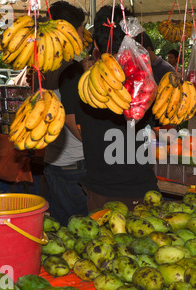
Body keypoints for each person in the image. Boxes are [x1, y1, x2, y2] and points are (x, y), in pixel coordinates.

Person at [75, 5, 159, 211]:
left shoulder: (86, 82)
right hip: (141, 187)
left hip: (99, 189)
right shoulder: (143, 78)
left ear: (95, 43)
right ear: (133, 36)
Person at [40, 1, 88, 225]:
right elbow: (71, 119)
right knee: (79, 228)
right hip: (73, 163)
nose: (82, 36)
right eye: (80, 30)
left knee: (62, 227)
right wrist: (93, 144)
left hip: (56, 160)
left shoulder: (45, 64)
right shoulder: (69, 68)